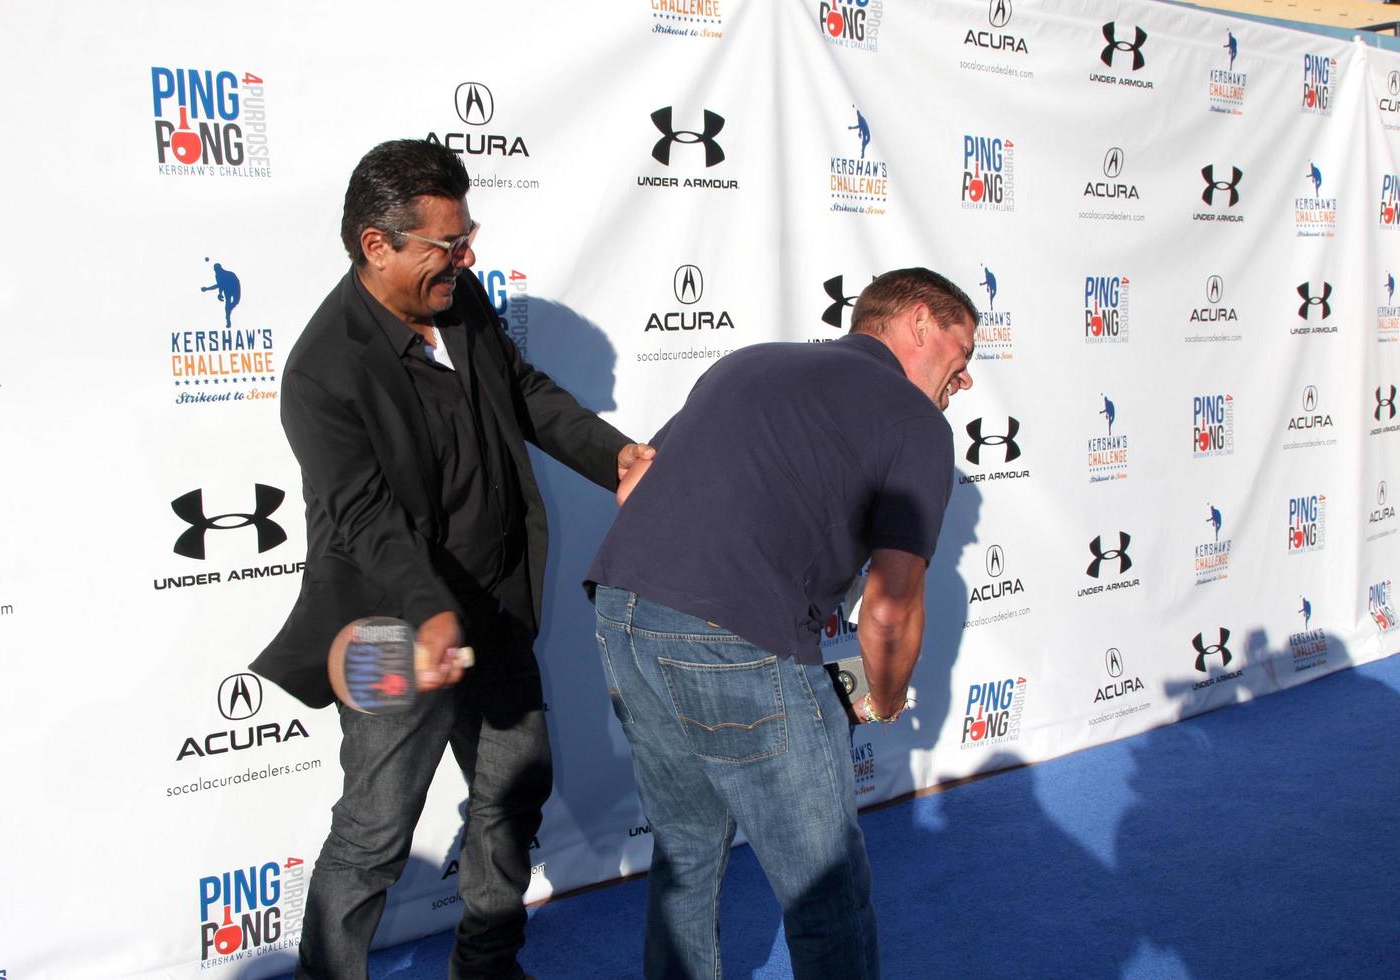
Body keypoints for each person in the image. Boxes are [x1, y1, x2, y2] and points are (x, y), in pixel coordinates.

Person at [252, 139, 652, 980]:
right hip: (397, 628)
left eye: (466, 237)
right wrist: (432, 613)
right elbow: (360, 517)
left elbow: (524, 391)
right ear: (377, 245)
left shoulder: (458, 296)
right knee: (373, 833)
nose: (466, 257)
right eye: (445, 243)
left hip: (501, 607)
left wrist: (615, 456)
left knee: (512, 797)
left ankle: (487, 965)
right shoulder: (323, 372)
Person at [586, 268, 978, 979]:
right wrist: (885, 698)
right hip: (731, 634)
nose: (968, 377)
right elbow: (889, 609)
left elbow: (636, 485)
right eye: (966, 348)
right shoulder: (917, 421)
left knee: (688, 851)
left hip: (623, 611)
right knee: (825, 885)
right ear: (920, 321)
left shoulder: (754, 359)